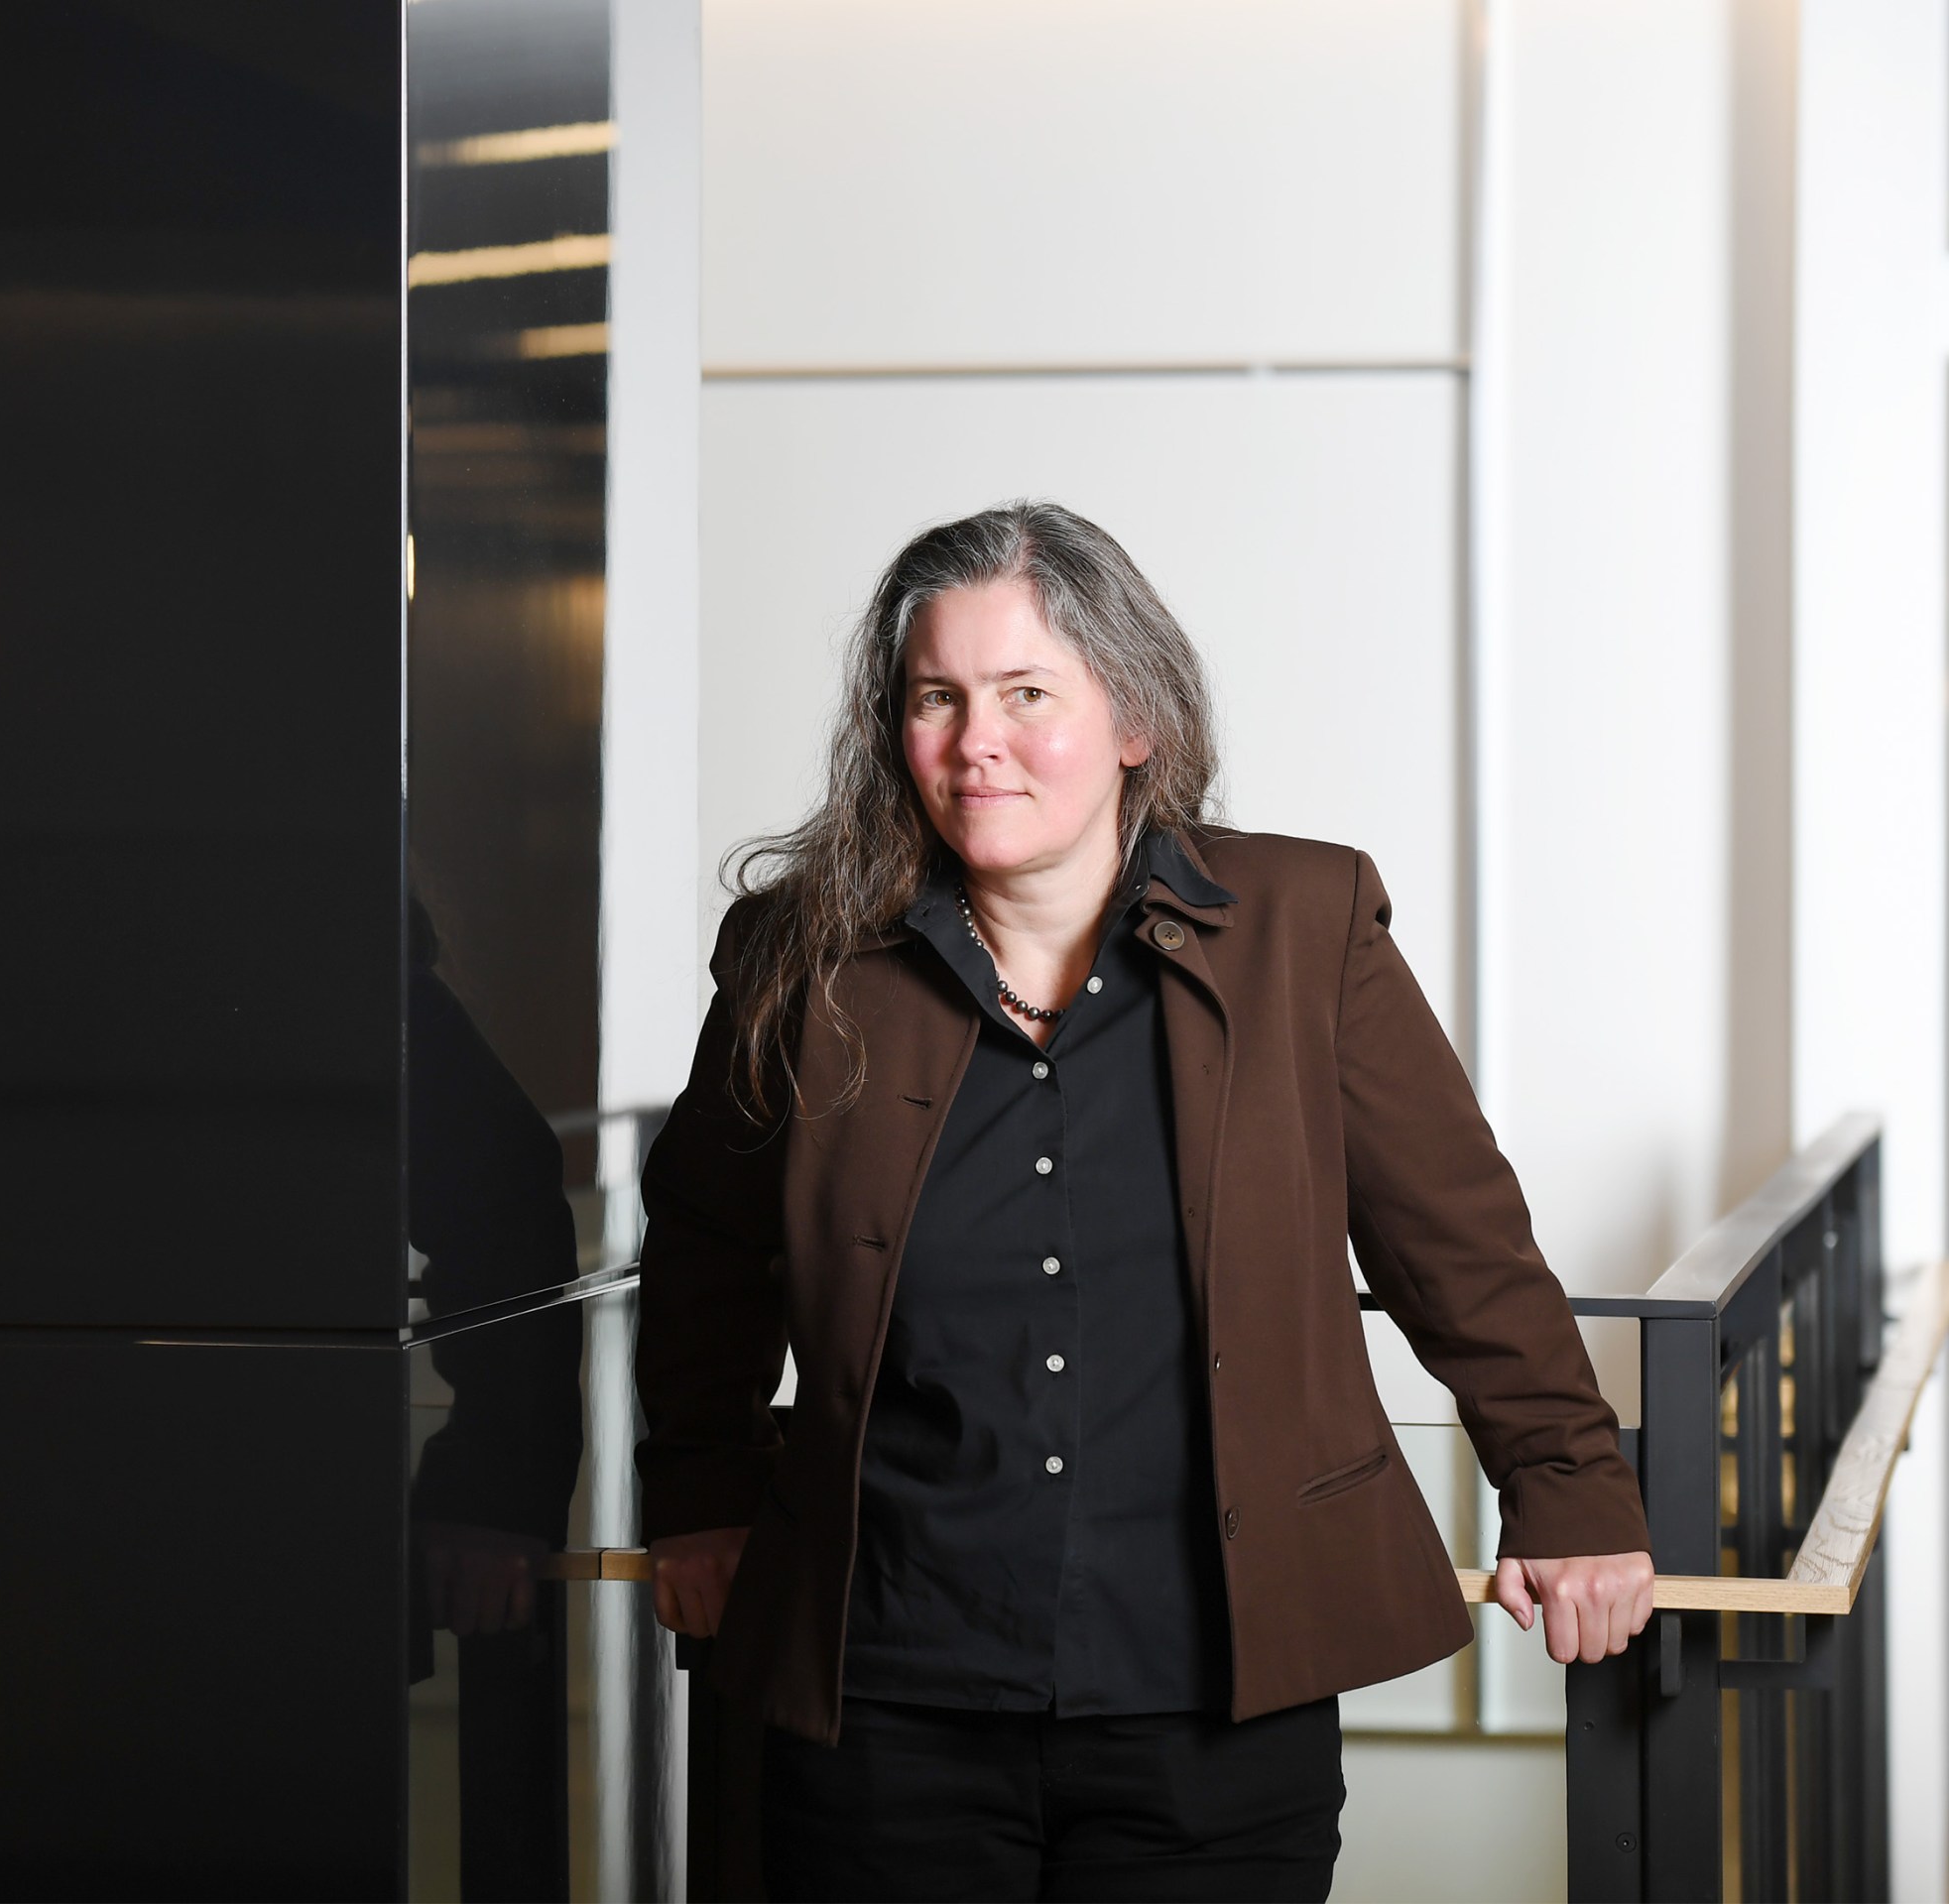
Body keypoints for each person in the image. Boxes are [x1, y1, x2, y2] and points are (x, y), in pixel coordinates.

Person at [634, 503, 1653, 1902]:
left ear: (1136, 721)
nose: (976, 741)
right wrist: (698, 1494)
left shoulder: (1306, 924)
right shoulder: (795, 960)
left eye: (1026, 694)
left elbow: (1457, 1244)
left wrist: (1571, 1487)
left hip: (1216, 1702)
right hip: (884, 1698)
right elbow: (704, 1257)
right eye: (938, 697)